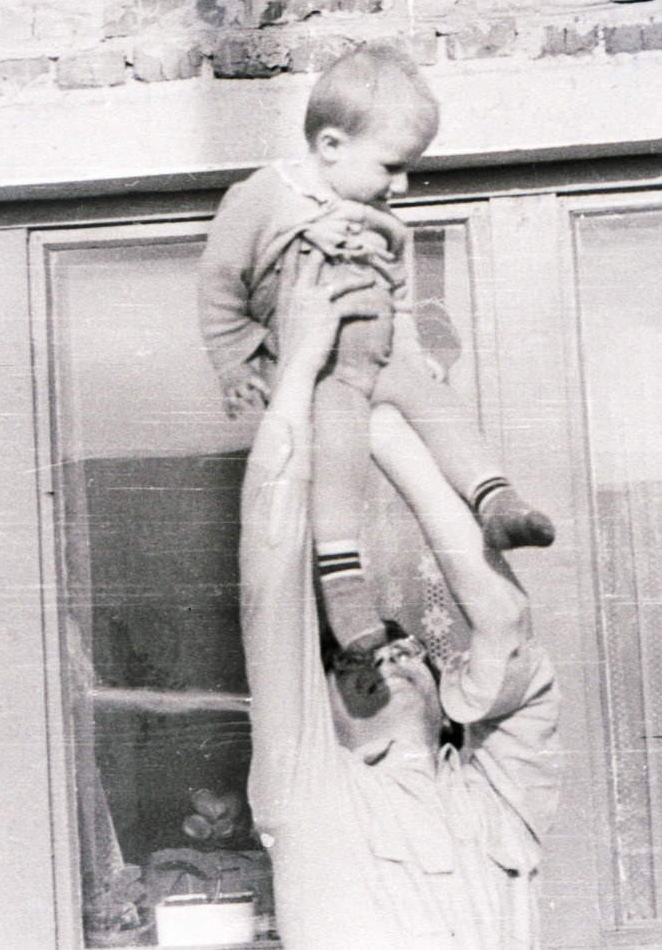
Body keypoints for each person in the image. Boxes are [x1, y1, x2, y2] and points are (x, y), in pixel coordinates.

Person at [238, 250, 560, 950]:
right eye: (352, 655)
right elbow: (268, 571)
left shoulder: (497, 791)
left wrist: (388, 432)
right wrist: (300, 367)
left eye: (402, 641)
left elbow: (505, 626)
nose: (391, 649)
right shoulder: (311, 791)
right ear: (316, 701)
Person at [200, 41, 552, 658]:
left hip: (385, 356)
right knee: (339, 454)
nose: (404, 183)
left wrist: (412, 340)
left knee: (441, 405)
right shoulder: (264, 195)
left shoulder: (379, 212)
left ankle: (494, 497)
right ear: (331, 146)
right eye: (391, 167)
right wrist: (236, 362)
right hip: (327, 369)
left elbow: (401, 287)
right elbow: (220, 283)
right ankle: (343, 582)